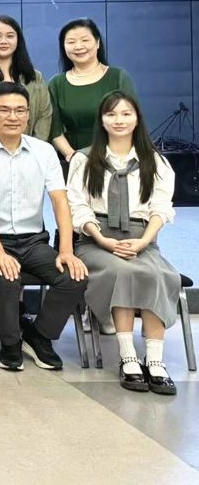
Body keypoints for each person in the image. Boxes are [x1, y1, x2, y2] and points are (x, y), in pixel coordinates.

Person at [0, 82, 87, 372]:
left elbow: (60, 201)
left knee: (74, 277)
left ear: (28, 114)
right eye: (4, 110)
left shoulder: (44, 151)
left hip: (33, 241)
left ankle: (39, 335)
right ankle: (10, 343)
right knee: (6, 276)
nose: (13, 117)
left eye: (20, 110)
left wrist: (66, 250)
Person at [66, 91, 180, 395]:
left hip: (141, 238)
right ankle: (128, 358)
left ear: (137, 118)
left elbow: (161, 209)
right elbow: (78, 207)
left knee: (160, 274)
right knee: (125, 271)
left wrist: (143, 242)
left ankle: (154, 361)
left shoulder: (155, 161)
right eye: (112, 114)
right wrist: (102, 239)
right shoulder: (83, 159)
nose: (119, 120)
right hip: (95, 240)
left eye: (126, 113)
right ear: (101, 120)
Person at [50, 18, 139, 162]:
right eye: (71, 42)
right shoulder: (56, 83)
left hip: (116, 158)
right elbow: (54, 131)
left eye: (85, 40)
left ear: (97, 43)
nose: (78, 46)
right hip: (73, 159)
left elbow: (131, 120)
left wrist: (112, 156)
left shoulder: (118, 77)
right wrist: (74, 157)